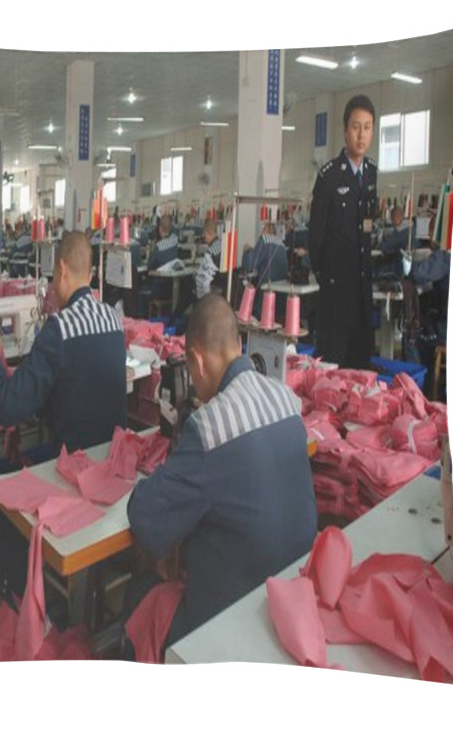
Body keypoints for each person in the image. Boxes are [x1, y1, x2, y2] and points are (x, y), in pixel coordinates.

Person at [124, 294, 317, 656]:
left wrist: (150, 485)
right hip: (294, 603)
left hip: (234, 624)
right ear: (239, 344)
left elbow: (146, 520)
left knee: (137, 593)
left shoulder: (210, 428)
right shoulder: (286, 400)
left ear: (195, 360)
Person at [0, 230, 128, 454]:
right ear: (89, 276)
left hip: (76, 468)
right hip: (114, 458)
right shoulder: (113, 320)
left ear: (62, 270)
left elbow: (7, 407)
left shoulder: (59, 329)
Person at [309, 94, 379, 369]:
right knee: (333, 375)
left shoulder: (371, 173)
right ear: (345, 130)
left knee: (362, 374)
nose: (361, 135)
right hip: (336, 298)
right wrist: (329, 282)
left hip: (362, 295)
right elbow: (315, 239)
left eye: (367, 127)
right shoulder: (330, 176)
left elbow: (367, 228)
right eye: (355, 127)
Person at [194, 218, 222, 300]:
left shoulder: (210, 252)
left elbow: (203, 280)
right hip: (221, 284)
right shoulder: (222, 244)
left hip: (212, 286)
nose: (203, 236)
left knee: (188, 286)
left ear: (208, 232)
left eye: (204, 233)